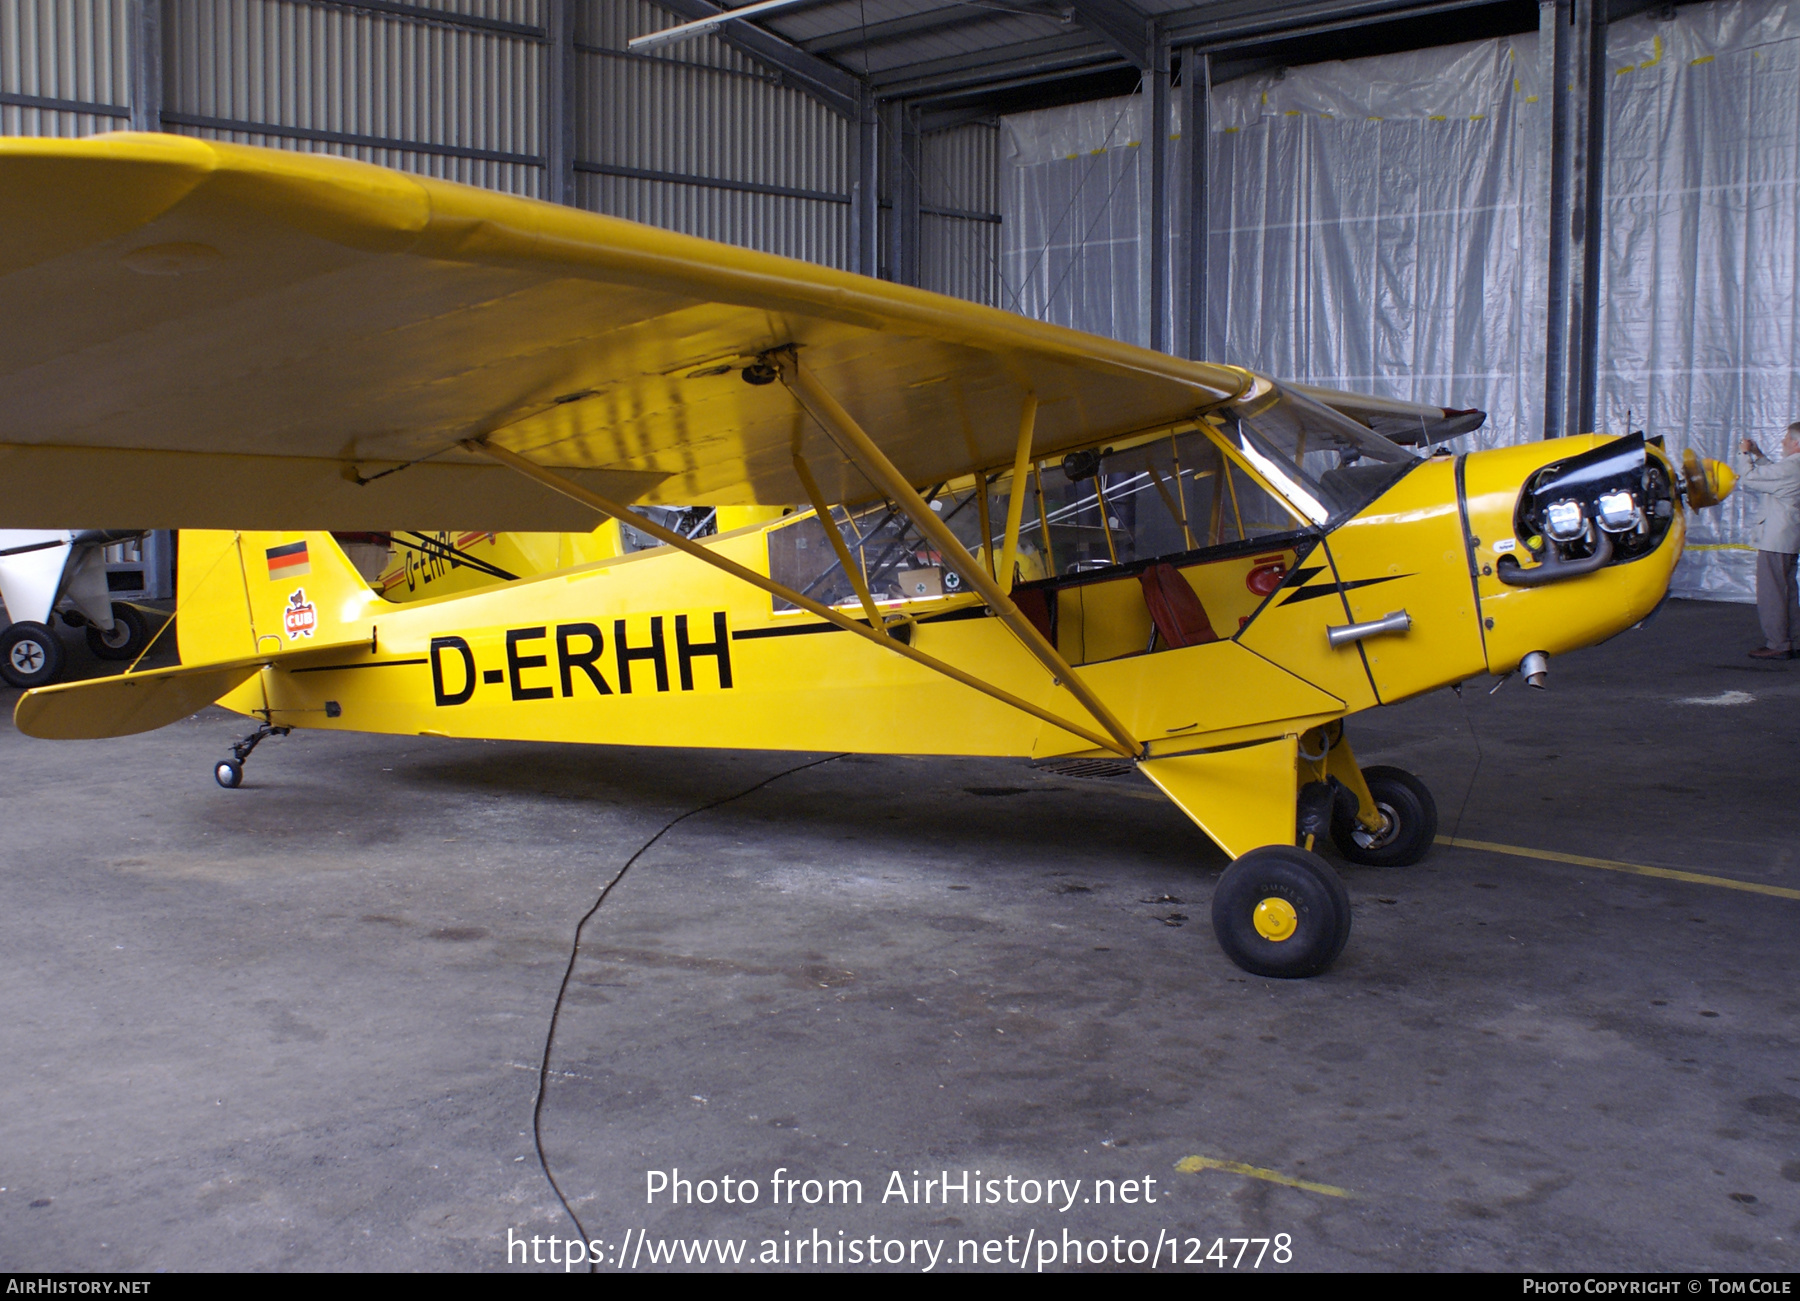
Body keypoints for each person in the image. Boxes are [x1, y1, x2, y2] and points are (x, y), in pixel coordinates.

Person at [1739, 422, 1800, 659]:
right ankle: (1792, 639)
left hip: (1775, 538)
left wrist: (1744, 454)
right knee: (1787, 590)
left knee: (1772, 593)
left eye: (1786, 439)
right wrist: (1759, 455)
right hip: (1789, 536)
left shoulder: (1792, 466)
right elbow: (1774, 475)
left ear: (1797, 444)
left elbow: (1750, 478)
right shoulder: (1792, 467)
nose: (1783, 443)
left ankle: (1777, 643)